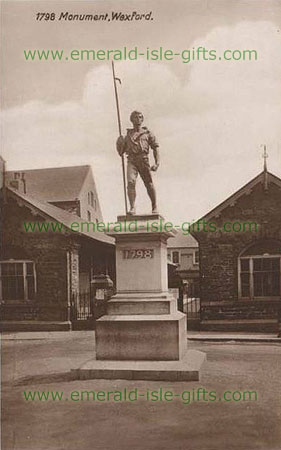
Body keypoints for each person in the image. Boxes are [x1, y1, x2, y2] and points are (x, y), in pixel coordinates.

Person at [116, 111, 160, 215]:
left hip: (143, 160)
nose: (138, 119)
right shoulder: (128, 135)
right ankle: (132, 207)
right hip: (132, 161)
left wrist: (157, 163)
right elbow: (121, 152)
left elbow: (155, 148)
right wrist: (119, 142)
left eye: (140, 117)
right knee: (131, 183)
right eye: (136, 117)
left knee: (148, 183)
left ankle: (154, 206)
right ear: (132, 120)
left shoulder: (148, 133)